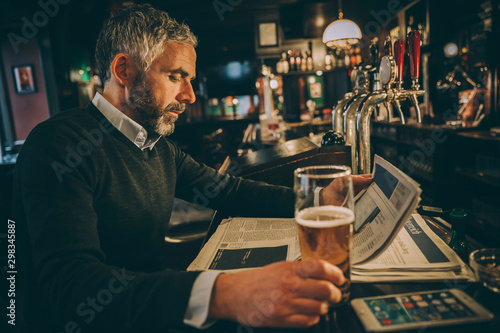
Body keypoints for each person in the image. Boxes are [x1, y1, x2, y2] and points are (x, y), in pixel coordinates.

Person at [13, 4, 372, 332]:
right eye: (175, 77)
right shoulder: (58, 145)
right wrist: (224, 292)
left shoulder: (157, 147)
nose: (189, 95)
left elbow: (230, 190)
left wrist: (319, 196)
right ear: (124, 70)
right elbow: (73, 290)